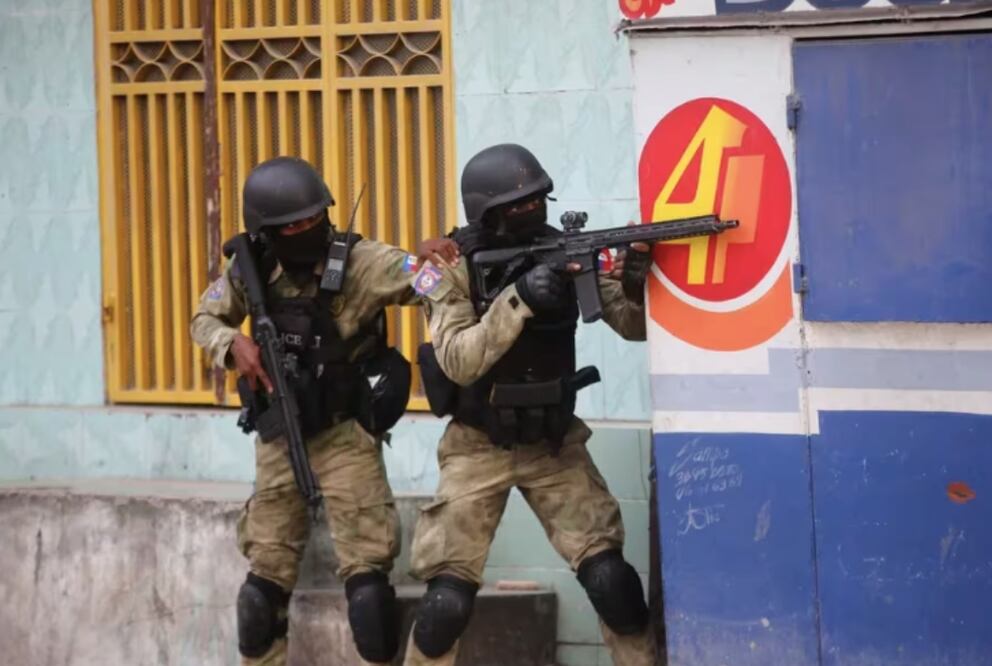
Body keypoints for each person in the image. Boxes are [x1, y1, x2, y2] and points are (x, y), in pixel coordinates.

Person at [190, 156, 458, 666]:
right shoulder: (251, 267)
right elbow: (205, 317)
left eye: (312, 219)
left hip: (344, 439)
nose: (303, 230)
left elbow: (423, 282)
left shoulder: (360, 262)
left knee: (369, 600)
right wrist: (231, 345)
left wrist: (430, 263)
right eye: (290, 225)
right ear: (266, 230)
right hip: (277, 438)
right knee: (258, 598)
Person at [403, 143, 657, 666]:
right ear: (486, 213)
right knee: (445, 606)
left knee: (614, 584)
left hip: (554, 444)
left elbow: (635, 326)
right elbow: (456, 360)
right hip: (476, 446)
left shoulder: (563, 250)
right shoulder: (448, 266)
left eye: (536, 200)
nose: (530, 212)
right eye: (516, 205)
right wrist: (518, 299)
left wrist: (635, 276)